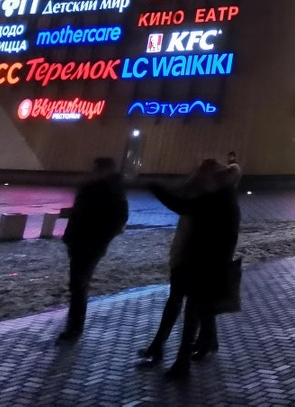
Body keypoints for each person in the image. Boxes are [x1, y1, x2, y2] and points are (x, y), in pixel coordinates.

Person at [145, 159, 242, 377]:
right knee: (197, 310)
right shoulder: (224, 196)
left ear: (213, 180)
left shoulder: (217, 199)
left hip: (205, 264)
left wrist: (156, 188)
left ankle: (183, 362)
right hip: (207, 263)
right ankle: (199, 347)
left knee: (192, 314)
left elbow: (183, 206)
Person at [57, 157, 129, 343]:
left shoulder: (107, 190)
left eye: (96, 169)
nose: (92, 171)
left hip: (88, 243)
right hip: (83, 242)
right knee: (78, 284)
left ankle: (75, 327)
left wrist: (98, 238)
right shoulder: (106, 188)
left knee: (78, 284)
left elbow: (117, 219)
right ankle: (74, 323)